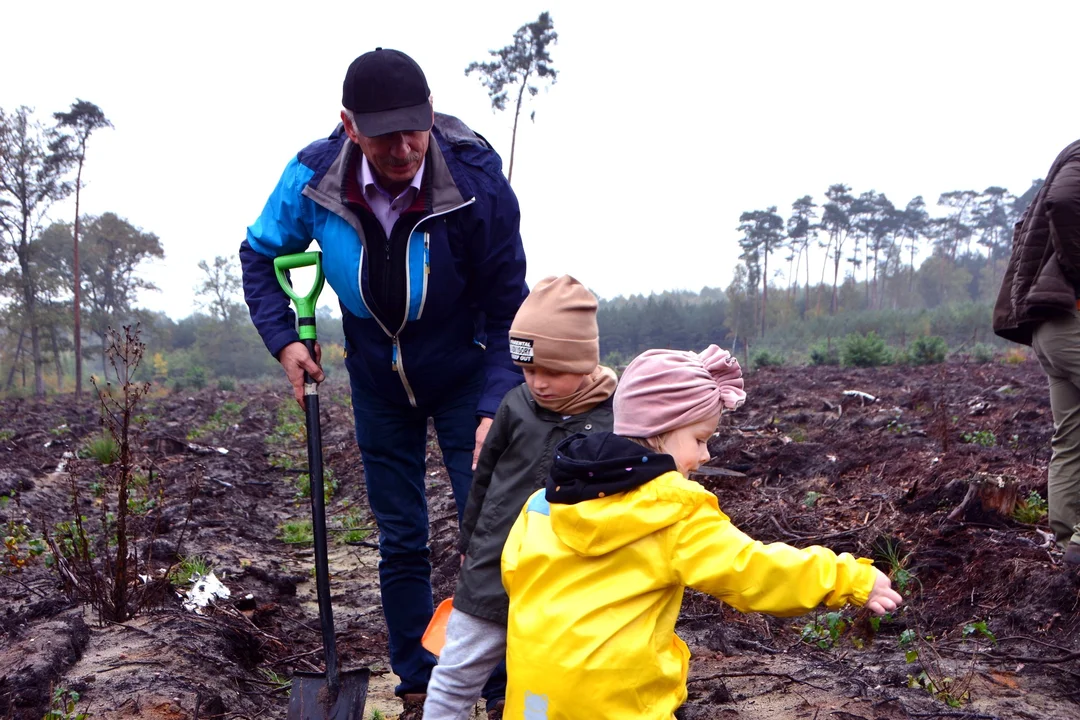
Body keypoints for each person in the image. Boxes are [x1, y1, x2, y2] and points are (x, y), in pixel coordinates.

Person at [239, 47, 528, 714]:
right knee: (401, 536)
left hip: (465, 368)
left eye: (413, 128)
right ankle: (416, 681)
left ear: (430, 114)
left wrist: (494, 404)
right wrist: (284, 341)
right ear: (348, 126)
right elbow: (259, 252)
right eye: (382, 133)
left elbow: (510, 300)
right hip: (375, 375)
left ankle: (492, 684)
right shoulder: (312, 178)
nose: (402, 148)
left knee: (485, 529)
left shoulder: (476, 179)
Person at [500, 345, 903, 719]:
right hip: (615, 702)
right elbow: (752, 571)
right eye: (699, 439)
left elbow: (515, 573)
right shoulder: (673, 511)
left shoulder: (544, 501)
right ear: (661, 430)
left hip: (532, 693)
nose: (706, 455)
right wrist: (848, 577)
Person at [424, 275, 618, 720]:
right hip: (492, 568)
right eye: (529, 371)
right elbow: (484, 479)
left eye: (553, 371)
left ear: (585, 363)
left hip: (566, 581)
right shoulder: (514, 405)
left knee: (540, 682)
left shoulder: (613, 421)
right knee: (454, 672)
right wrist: (467, 544)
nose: (539, 384)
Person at [994, 139, 1080, 566]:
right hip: (1072, 320)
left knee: (1071, 437)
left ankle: (1069, 548)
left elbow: (1032, 220)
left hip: (1050, 327)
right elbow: (1064, 203)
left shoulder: (1065, 159)